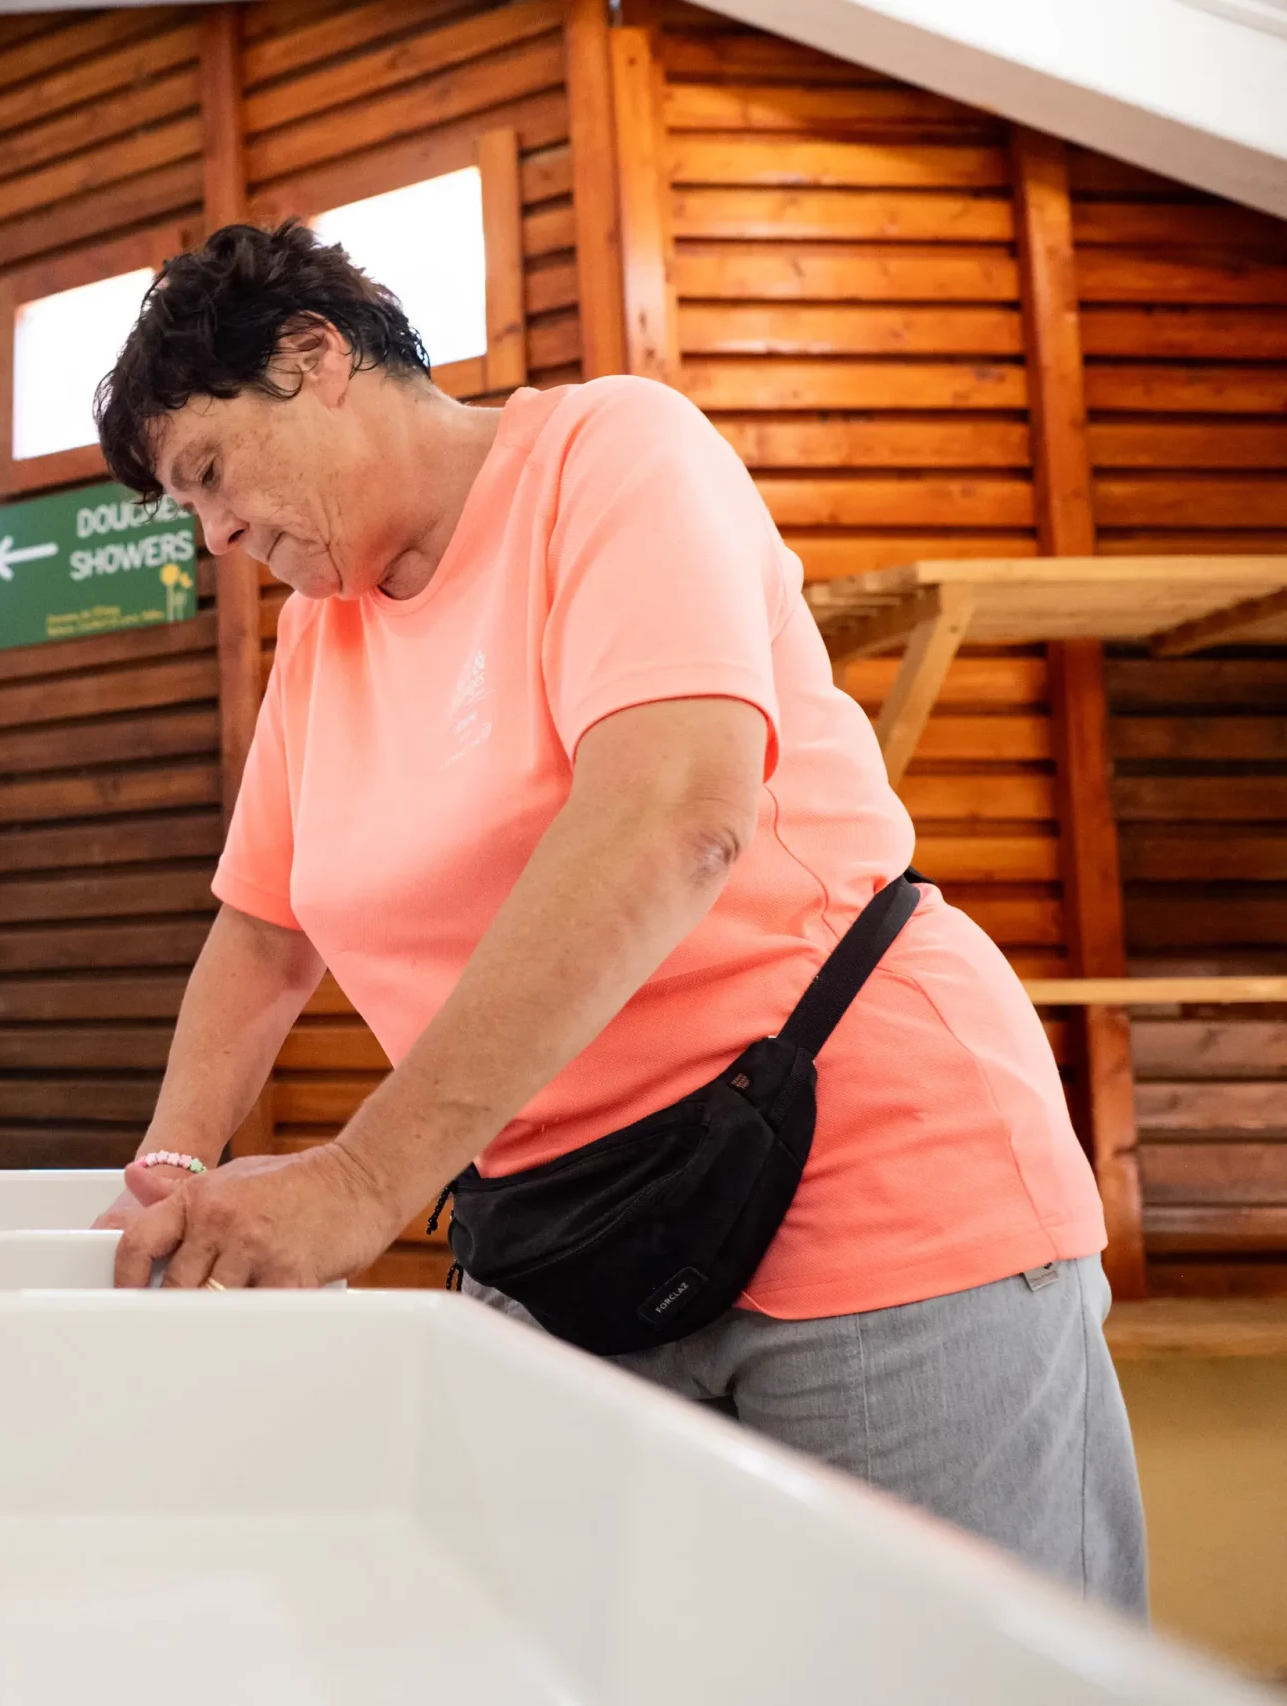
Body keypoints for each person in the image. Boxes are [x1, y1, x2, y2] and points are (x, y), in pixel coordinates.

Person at [89, 221, 1145, 1610]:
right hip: (568, 1245)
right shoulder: (322, 635)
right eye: (191, 508)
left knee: (947, 1664)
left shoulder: (611, 454)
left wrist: (356, 1184)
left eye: (212, 473)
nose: (219, 532)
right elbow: (265, 932)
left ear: (314, 357)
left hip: (866, 1180)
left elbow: (676, 815)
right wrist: (173, 1157)